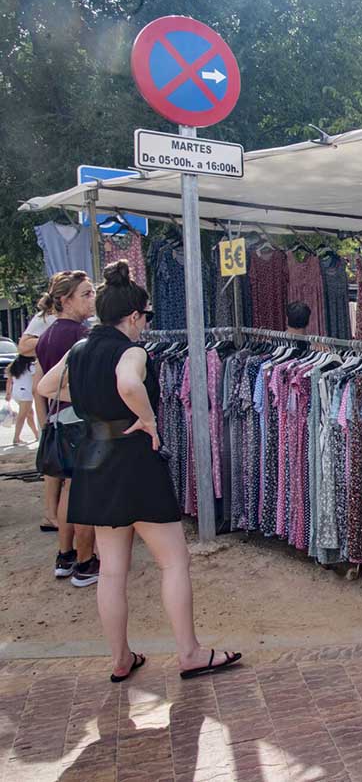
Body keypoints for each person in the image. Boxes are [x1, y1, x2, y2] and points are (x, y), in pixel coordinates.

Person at [36, 261, 241, 684]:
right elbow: (129, 384)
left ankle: (121, 658)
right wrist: (147, 419)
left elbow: (44, 386)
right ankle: (189, 653)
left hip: (95, 458)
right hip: (132, 458)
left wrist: (94, 401)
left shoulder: (80, 349)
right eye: (145, 317)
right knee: (174, 561)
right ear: (133, 316)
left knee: (111, 569)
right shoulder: (131, 350)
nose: (145, 324)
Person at [34, 270, 99, 585]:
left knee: (70, 489)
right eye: (86, 294)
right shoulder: (77, 335)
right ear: (64, 299)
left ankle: (65, 555)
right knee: (83, 492)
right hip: (77, 420)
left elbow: (41, 383)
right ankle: (86, 562)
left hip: (60, 419)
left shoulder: (47, 334)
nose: (92, 299)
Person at [5, 355, 40, 447]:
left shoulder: (14, 366)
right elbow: (35, 380)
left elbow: (9, 381)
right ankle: (16, 438)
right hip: (26, 393)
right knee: (22, 416)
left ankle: (37, 434)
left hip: (16, 392)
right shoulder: (31, 366)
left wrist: (8, 393)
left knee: (30, 414)